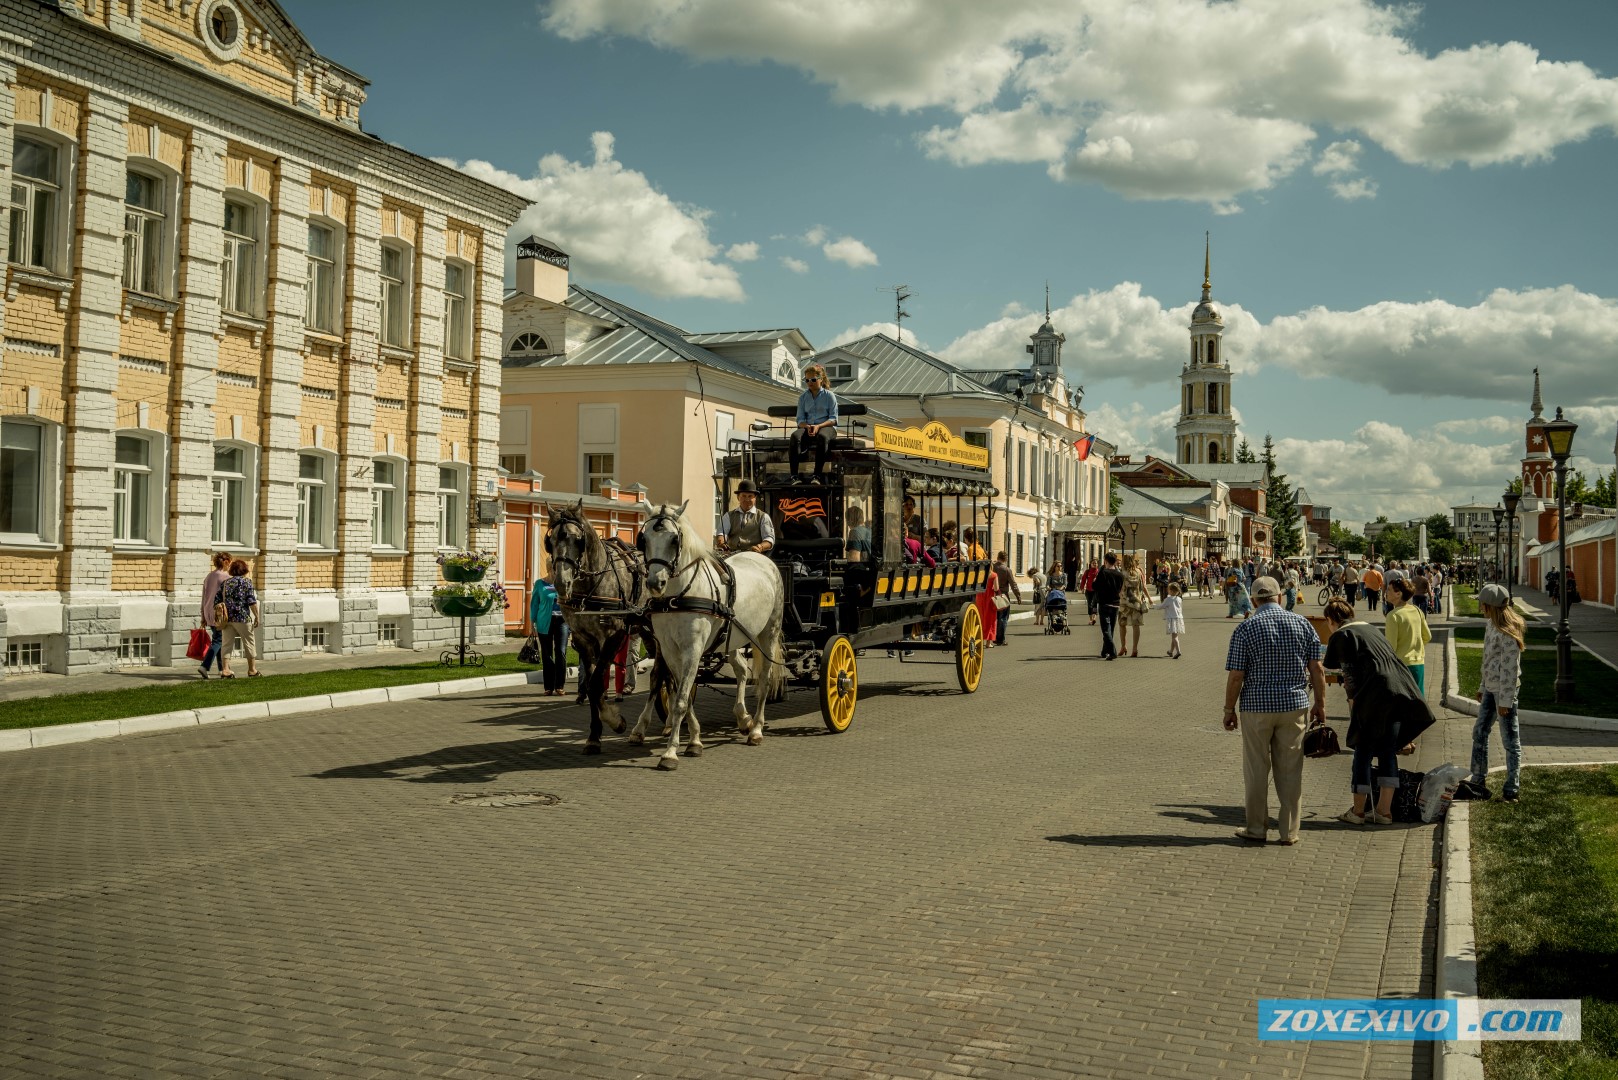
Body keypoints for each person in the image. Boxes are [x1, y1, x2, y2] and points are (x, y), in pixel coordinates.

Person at [1224, 576, 1328, 845]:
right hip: (1294, 706)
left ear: (1255, 600)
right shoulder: (1303, 624)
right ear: (1280, 597)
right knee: (1290, 769)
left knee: (1256, 769)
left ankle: (1256, 829)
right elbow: (1317, 669)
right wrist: (1320, 704)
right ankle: (1289, 832)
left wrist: (1228, 709)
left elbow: (1236, 676)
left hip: (1256, 707)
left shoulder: (1246, 628)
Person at [1321, 599, 1436, 825]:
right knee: (1387, 750)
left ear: (1330, 620)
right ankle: (1384, 812)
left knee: (1362, 750)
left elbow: (1349, 673)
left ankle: (1358, 811)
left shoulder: (1343, 635)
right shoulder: (1369, 628)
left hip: (1374, 696)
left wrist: (1353, 702)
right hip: (1399, 692)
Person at [1458, 584, 1525, 802]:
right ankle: (1477, 780)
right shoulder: (1491, 626)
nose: (1480, 607)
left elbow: (1510, 670)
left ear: (1491, 606)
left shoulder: (1508, 633)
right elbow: (1488, 661)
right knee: (1479, 733)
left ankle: (1511, 788)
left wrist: (1505, 700)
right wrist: (1482, 685)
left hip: (1504, 693)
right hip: (1489, 688)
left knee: (1510, 741)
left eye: (1482, 604)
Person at [789, 363, 838, 484]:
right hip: (808, 427)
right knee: (795, 436)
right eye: (807, 380)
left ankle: (817, 476)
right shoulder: (803, 397)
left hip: (827, 427)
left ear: (821, 379)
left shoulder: (829, 396)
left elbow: (833, 419)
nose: (810, 382)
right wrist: (808, 426)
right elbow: (800, 420)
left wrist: (818, 426)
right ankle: (794, 476)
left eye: (813, 379)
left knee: (822, 436)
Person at [1383, 578, 1432, 696]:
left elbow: (1391, 647)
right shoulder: (1417, 610)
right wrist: (1414, 647)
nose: (1386, 592)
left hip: (1401, 665)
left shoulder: (1393, 616)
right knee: (1418, 700)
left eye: (1389, 590)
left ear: (1398, 594)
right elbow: (1427, 636)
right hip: (1418, 663)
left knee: (1402, 703)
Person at [218, 559, 262, 678]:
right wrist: (257, 616)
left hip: (227, 619)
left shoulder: (225, 583)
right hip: (243, 617)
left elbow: (217, 600)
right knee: (249, 643)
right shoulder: (246, 582)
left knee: (226, 644)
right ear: (244, 570)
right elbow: (251, 601)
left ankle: (226, 670)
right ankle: (252, 670)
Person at [715, 478, 775, 555]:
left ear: (755, 498)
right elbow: (721, 533)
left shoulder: (763, 517)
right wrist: (722, 543)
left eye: (750, 496)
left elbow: (769, 539)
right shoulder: (728, 516)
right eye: (744, 496)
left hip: (754, 556)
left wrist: (760, 547)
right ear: (738, 497)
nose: (747, 499)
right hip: (732, 555)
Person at [530, 573, 568, 696]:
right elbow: (534, 603)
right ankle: (548, 687)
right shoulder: (539, 584)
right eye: (553, 567)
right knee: (547, 654)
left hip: (562, 621)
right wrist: (532, 623)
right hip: (544, 621)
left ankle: (559, 685)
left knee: (561, 652)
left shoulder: (565, 583)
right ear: (549, 568)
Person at [197, 552, 230, 679]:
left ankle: (222, 669)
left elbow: (204, 597)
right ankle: (205, 666)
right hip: (220, 613)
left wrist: (203, 616)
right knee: (219, 640)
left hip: (208, 611)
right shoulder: (225, 577)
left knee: (218, 640)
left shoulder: (209, 576)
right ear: (226, 562)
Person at [1092, 552, 1126, 660]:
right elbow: (1120, 588)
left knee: (1106, 629)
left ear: (1105, 560)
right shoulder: (1120, 575)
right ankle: (1104, 651)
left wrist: (1094, 582)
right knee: (1110, 628)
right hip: (1115, 603)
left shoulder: (1103, 573)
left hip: (1105, 603)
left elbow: (1095, 586)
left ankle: (1112, 651)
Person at [1118, 554, 1153, 658]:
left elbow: (1120, 588)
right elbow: (1143, 587)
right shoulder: (1138, 572)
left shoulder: (1122, 573)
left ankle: (1123, 646)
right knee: (1136, 626)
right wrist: (1149, 598)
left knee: (1122, 624)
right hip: (1136, 602)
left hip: (1124, 603)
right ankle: (1135, 649)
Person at [991, 551, 1020, 646]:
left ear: (998, 557)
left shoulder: (992, 567)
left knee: (994, 617)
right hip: (1003, 595)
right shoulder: (1007, 570)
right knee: (1003, 617)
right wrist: (1018, 596)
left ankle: (992, 636)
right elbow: (1013, 584)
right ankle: (1000, 639)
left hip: (992, 595)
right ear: (1006, 559)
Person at [1162, 581, 1185, 659]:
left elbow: (1161, 606)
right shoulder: (1179, 599)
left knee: (1174, 636)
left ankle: (1178, 651)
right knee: (1174, 635)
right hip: (1179, 618)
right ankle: (1170, 651)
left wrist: (1153, 605)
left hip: (1172, 619)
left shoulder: (1168, 599)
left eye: (1168, 589)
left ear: (1171, 590)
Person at [1080, 559, 1100, 625]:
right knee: (1089, 604)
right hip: (1088, 591)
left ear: (1097, 564)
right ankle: (1091, 619)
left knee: (1094, 604)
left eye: (1096, 563)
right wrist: (1082, 588)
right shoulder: (1088, 571)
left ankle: (1094, 618)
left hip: (1096, 591)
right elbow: (1083, 580)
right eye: (1093, 563)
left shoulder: (1099, 572)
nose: (1094, 564)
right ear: (1090, 564)